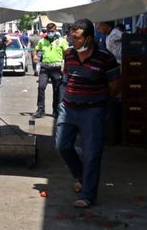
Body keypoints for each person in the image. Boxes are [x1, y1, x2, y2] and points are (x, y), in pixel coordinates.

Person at [56, 19, 121, 208]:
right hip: (68, 108)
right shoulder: (69, 54)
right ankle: (81, 175)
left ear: (89, 38)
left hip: (93, 111)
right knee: (62, 146)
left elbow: (116, 83)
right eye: (71, 37)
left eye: (76, 38)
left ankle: (87, 195)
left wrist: (100, 101)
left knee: (92, 153)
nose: (72, 41)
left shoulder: (105, 57)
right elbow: (67, 74)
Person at [33, 23, 68, 118]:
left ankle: (55, 110)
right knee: (41, 87)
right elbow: (35, 50)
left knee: (56, 90)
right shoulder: (42, 41)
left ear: (56, 30)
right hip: (45, 68)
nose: (50, 33)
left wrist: (64, 65)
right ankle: (40, 110)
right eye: (48, 31)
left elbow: (67, 53)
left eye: (52, 31)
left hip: (57, 68)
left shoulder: (62, 41)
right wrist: (35, 55)